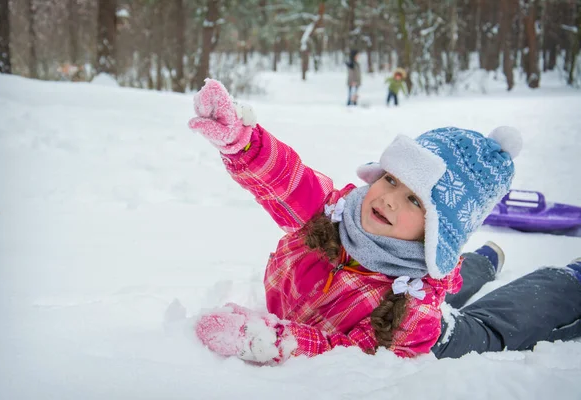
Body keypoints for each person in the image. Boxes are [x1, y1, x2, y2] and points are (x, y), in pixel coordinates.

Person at [188, 79, 581, 365]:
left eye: (414, 199)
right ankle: (486, 258)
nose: (390, 199)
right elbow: (289, 181)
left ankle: (570, 281)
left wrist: (268, 341)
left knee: (491, 327)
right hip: (398, 281)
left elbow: (352, 357)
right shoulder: (334, 214)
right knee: (460, 283)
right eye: (392, 179)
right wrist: (243, 142)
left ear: (438, 232)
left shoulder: (414, 314)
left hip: (426, 335)